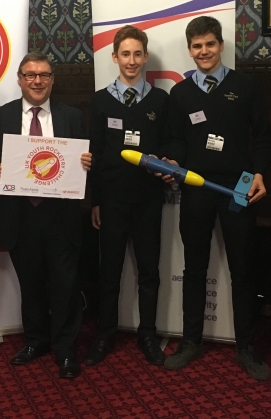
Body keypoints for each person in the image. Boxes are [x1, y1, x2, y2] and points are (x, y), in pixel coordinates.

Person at [162, 16, 271, 380]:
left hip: (239, 187)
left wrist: (259, 172)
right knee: (194, 266)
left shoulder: (245, 86)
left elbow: (262, 136)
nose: (204, 51)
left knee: (243, 268)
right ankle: (191, 341)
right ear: (190, 49)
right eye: (196, 46)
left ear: (221, 45)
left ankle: (247, 347)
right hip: (195, 187)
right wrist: (174, 160)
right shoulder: (180, 93)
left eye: (210, 44)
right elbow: (176, 138)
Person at [0, 51, 91, 379]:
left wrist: (88, 162)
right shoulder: (0, 116)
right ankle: (36, 341)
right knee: (30, 284)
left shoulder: (72, 116)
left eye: (43, 75)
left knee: (65, 284)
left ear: (53, 79)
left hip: (61, 215)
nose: (37, 81)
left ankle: (66, 349)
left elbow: (86, 157)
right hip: (20, 214)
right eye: (30, 75)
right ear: (20, 79)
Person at [85, 25, 169, 367]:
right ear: (114, 57)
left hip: (149, 199)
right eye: (125, 54)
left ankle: (147, 333)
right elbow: (92, 153)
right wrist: (94, 201)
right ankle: (105, 333)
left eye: (137, 54)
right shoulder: (99, 100)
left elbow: (171, 144)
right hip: (112, 201)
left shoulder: (162, 101)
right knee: (110, 271)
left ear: (145, 57)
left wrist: (170, 161)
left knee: (149, 271)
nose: (131, 61)